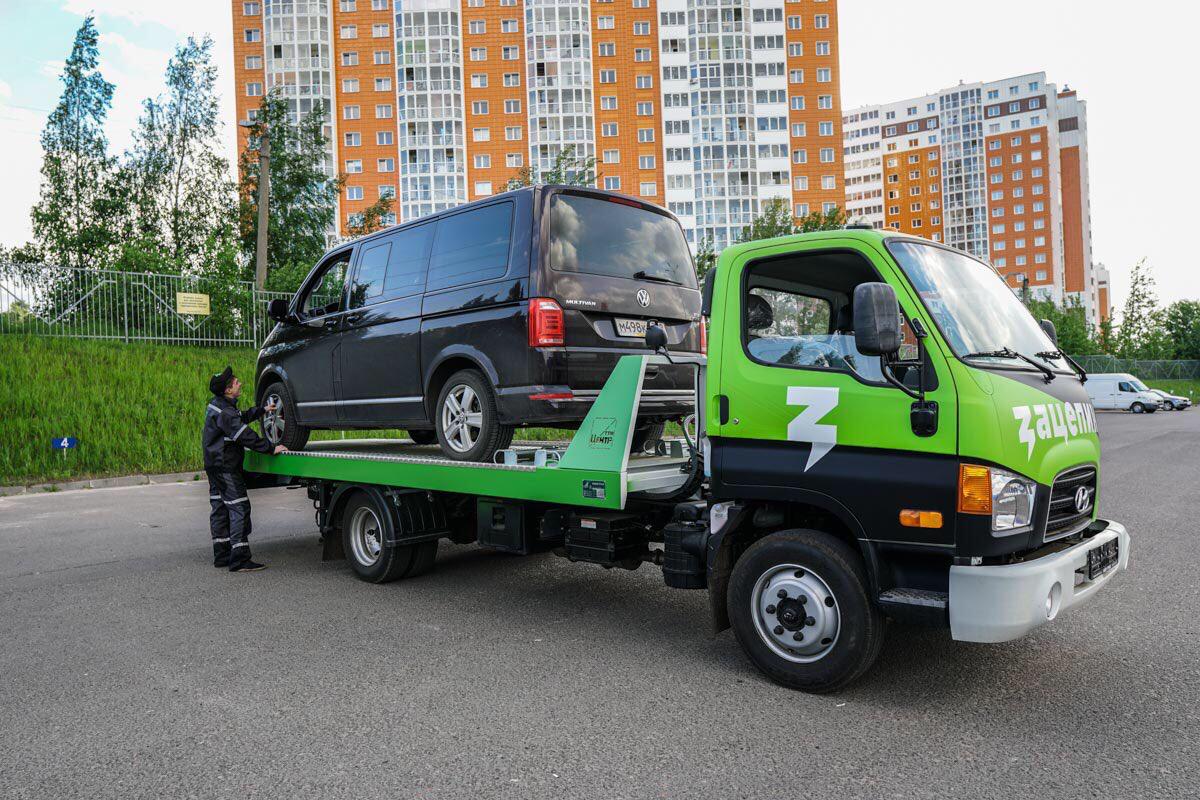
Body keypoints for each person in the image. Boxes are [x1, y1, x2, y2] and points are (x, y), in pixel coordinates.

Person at [203, 366, 286, 572]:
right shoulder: (226, 413)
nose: (239, 383)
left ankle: (222, 555)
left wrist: (262, 410)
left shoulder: (218, 406)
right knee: (239, 508)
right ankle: (239, 559)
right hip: (225, 467)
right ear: (228, 390)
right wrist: (271, 448)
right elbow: (245, 435)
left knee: (220, 508)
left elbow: (240, 416)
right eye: (236, 381)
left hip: (214, 466)